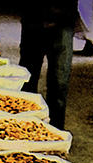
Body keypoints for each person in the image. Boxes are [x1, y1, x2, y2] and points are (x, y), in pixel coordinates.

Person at [19, 1, 79, 130]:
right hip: (33, 21)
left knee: (59, 84)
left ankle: (54, 135)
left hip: (63, 23)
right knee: (27, 81)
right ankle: (23, 130)